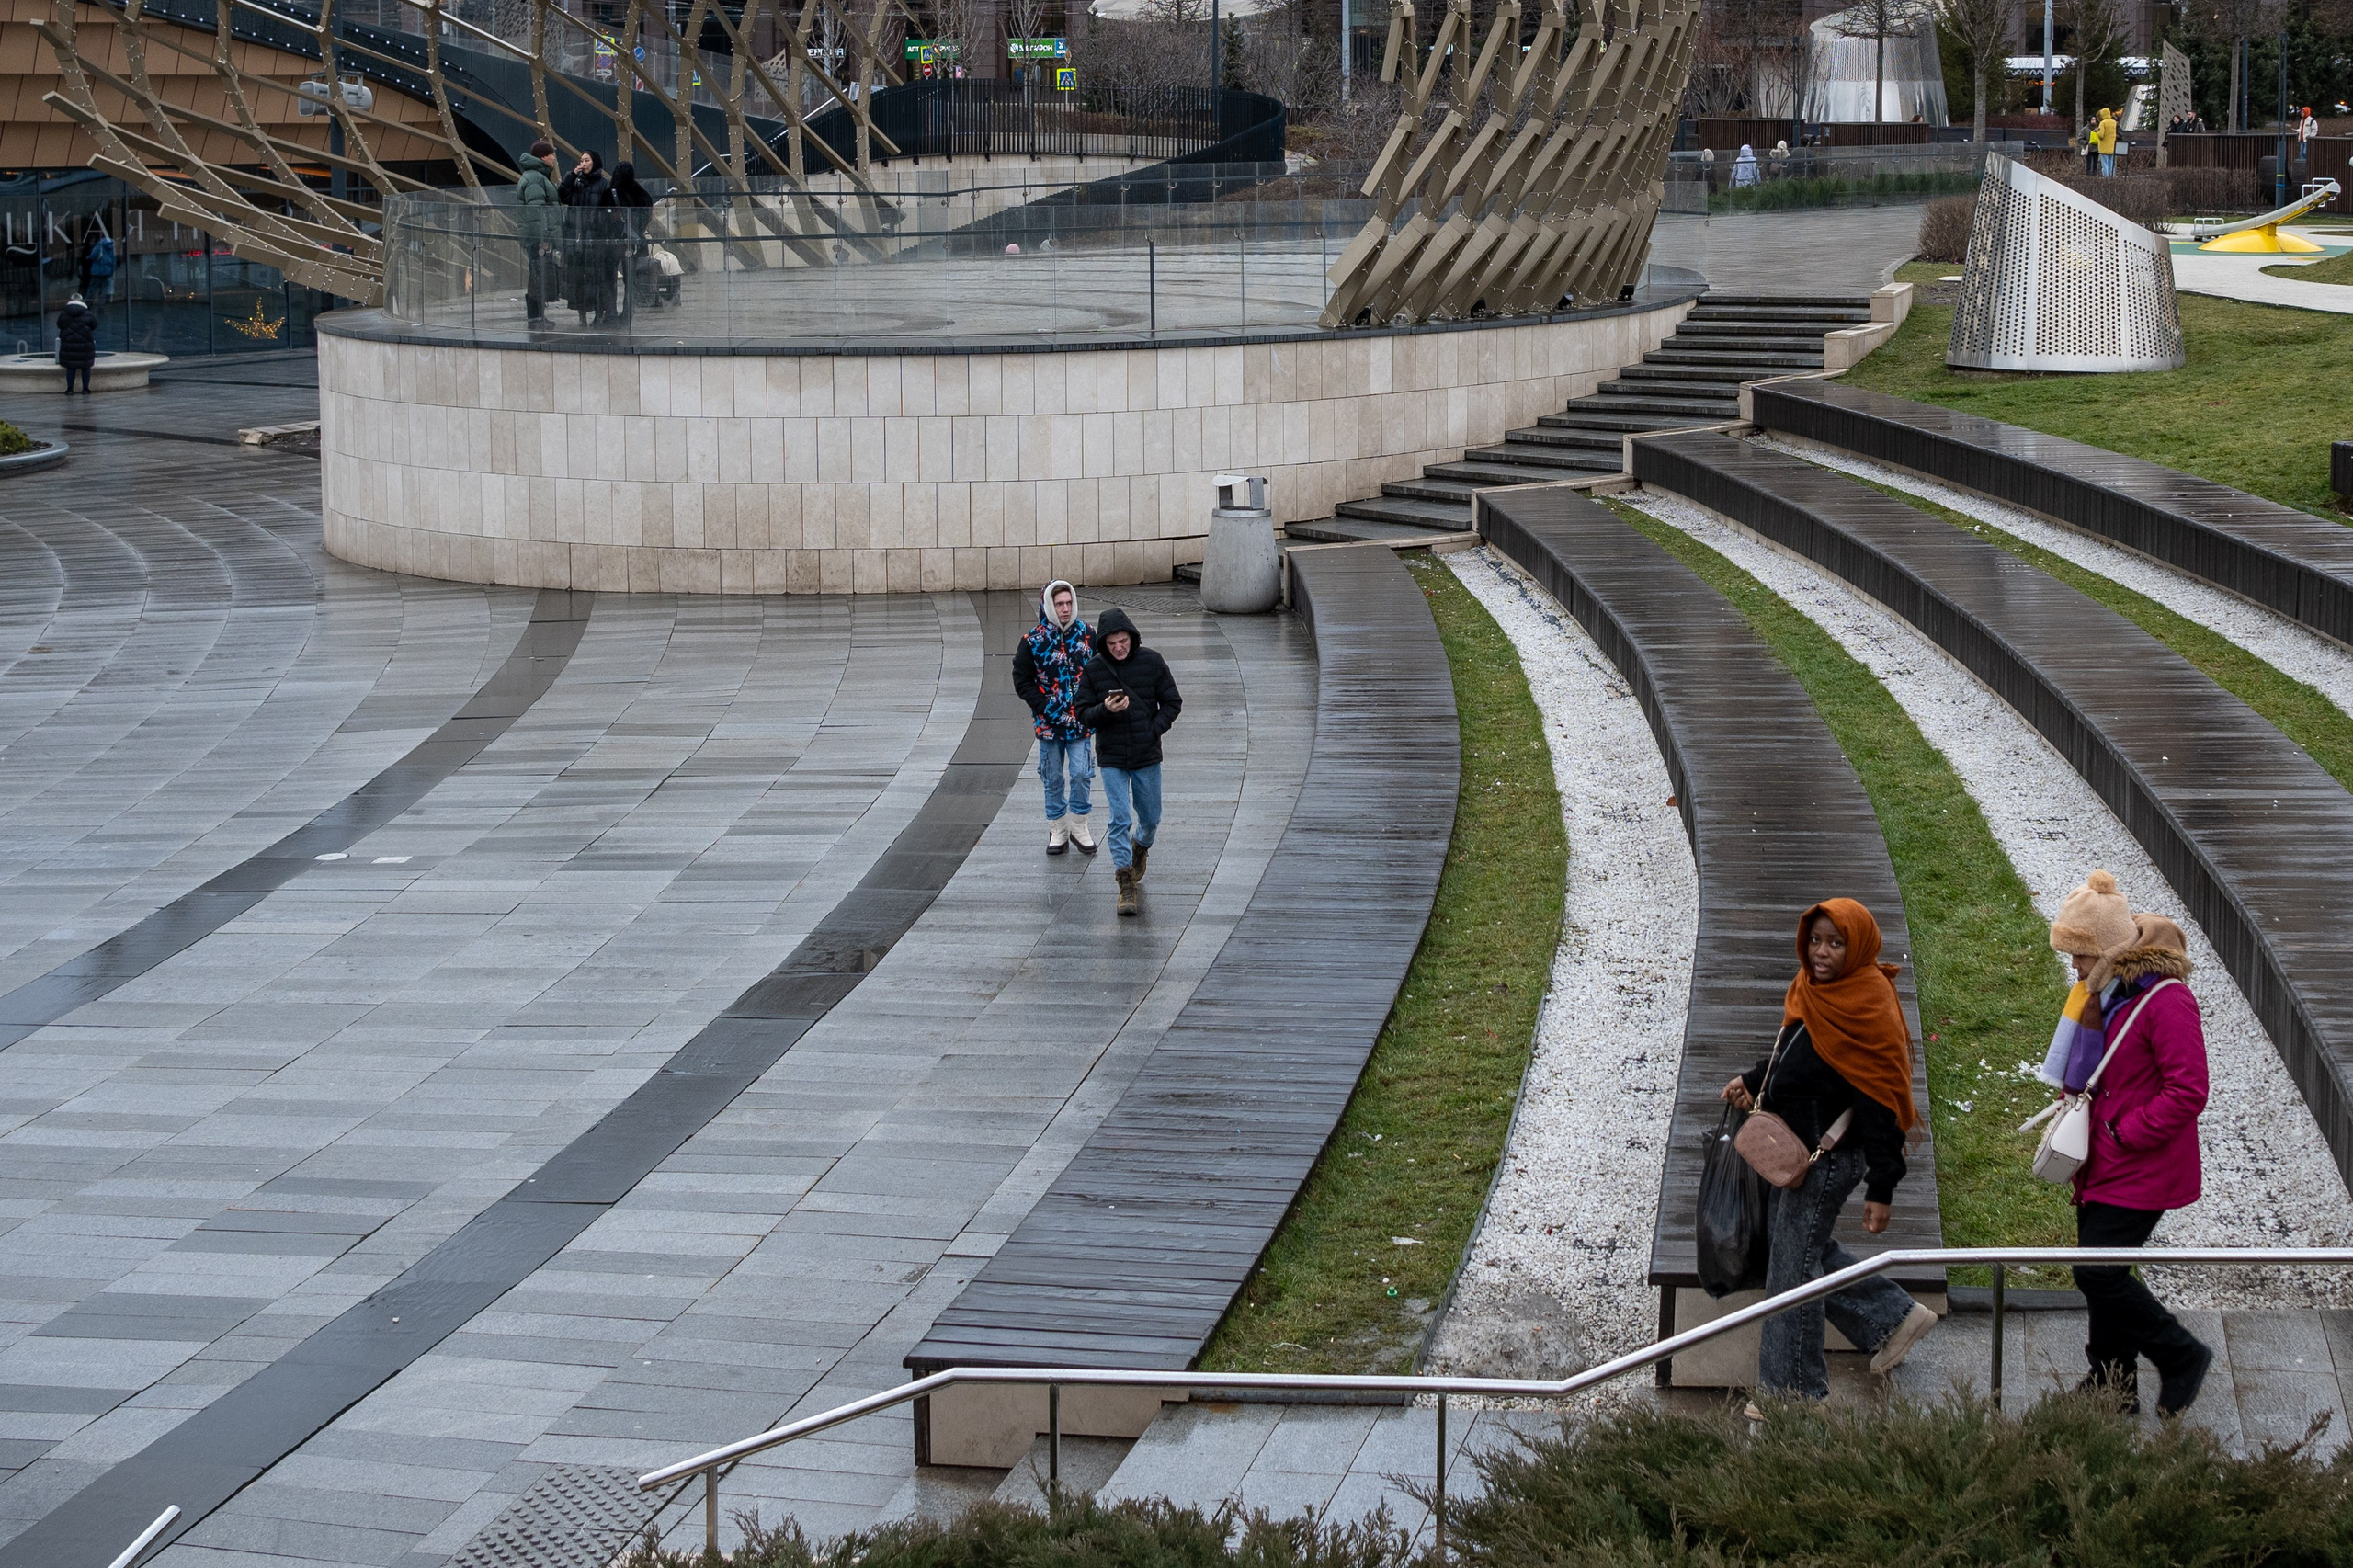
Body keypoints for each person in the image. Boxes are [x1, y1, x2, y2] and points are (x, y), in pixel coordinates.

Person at [1722, 898, 1939, 1410]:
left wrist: (1882, 1186)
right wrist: (1753, 1080)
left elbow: (1881, 1101)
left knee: (1791, 1270)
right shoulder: (1814, 989)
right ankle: (1893, 1317)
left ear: (1856, 947)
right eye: (1816, 940)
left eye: (1835, 943)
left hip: (1828, 1159)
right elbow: (1798, 1052)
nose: (1821, 952)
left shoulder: (1865, 1004)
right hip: (1794, 1151)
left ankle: (1791, 1395)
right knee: (1796, 1250)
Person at [2044, 869, 2213, 1415]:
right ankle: (2112, 1386)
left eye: (2080, 955)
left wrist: (2123, 1131)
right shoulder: (2105, 993)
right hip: (2102, 1163)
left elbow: (2188, 1090)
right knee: (2104, 1273)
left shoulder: (2166, 1000)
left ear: (2108, 951)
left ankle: (2181, 1355)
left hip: (2139, 1164)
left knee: (2097, 1271)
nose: (2075, 967)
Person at [1075, 607, 1180, 917]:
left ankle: (1141, 846)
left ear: (1132, 638)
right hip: (1112, 756)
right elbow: (1082, 713)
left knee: (1150, 817)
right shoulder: (1094, 669)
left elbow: (1172, 702)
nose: (1119, 648)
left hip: (1146, 752)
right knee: (1119, 817)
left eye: (1123, 641)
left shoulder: (1152, 661)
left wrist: (1153, 729)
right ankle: (1125, 880)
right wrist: (1105, 710)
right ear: (1103, 644)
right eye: (1112, 644)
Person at [1012, 579, 1097, 858]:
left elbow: (1101, 670)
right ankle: (1058, 827)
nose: (1065, 609)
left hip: (1081, 721)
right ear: (1048, 605)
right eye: (1059, 604)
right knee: (1052, 776)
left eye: (1069, 603)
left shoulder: (1088, 634)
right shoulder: (1032, 641)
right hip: (1049, 724)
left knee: (1082, 773)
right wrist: (1043, 706)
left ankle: (1079, 825)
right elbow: (1022, 680)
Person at [559, 149, 616, 327]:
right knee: (578, 279)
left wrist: (601, 229)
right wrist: (570, 177)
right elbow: (562, 196)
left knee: (597, 278)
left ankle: (599, 314)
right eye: (581, 160)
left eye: (587, 160)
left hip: (595, 240)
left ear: (594, 163)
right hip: (577, 239)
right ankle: (581, 315)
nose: (583, 164)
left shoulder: (604, 184)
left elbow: (610, 212)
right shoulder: (576, 182)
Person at [517, 140, 562, 328]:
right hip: (538, 239)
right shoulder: (535, 178)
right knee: (538, 275)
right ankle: (535, 318)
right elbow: (536, 212)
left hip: (535, 237)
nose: (554, 159)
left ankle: (537, 317)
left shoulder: (535, 176)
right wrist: (543, 238)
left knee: (538, 273)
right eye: (551, 155)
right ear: (543, 157)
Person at [609, 161, 654, 321]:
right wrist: (637, 230)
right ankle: (628, 313)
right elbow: (647, 216)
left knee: (609, 278)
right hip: (634, 241)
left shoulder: (612, 193)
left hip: (614, 241)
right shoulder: (641, 193)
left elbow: (604, 216)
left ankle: (610, 312)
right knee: (630, 280)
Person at [54, 292, 97, 394]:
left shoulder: (64, 313)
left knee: (70, 367)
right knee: (86, 367)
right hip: (85, 344)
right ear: (81, 301)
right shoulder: (88, 313)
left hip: (68, 344)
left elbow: (59, 324)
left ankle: (70, 389)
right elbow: (94, 325)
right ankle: (85, 389)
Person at [2095, 108, 2118, 176]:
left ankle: (2106, 178)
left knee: (2105, 164)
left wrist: (2097, 132)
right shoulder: (2114, 122)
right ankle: (2112, 177)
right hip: (2112, 146)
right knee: (2111, 164)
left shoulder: (2103, 123)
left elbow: (2101, 135)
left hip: (2104, 147)